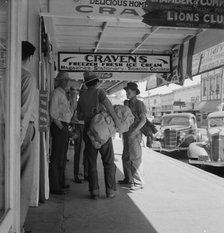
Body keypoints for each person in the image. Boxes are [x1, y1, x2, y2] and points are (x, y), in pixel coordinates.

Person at [77, 71, 121, 200]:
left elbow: (78, 116)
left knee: (91, 162)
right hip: (102, 131)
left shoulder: (82, 96)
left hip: (88, 131)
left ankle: (94, 192)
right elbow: (108, 105)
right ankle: (110, 190)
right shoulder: (99, 92)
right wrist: (116, 120)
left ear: (86, 83)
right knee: (108, 161)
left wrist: (88, 116)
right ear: (96, 82)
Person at [49, 71, 76, 195]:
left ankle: (60, 182)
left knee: (62, 156)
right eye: (64, 80)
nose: (66, 82)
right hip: (59, 126)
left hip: (64, 125)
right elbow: (53, 113)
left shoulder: (64, 94)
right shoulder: (56, 93)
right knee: (57, 156)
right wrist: (61, 127)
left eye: (67, 80)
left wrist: (72, 101)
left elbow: (69, 113)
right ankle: (55, 186)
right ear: (59, 81)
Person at [21, 41, 37, 232]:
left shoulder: (4, 75)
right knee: (24, 178)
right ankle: (19, 224)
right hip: (22, 132)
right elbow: (24, 114)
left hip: (4, 129)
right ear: (31, 57)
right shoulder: (27, 78)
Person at [119, 82, 146, 191]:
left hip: (134, 133)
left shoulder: (139, 104)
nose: (127, 94)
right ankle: (128, 179)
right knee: (125, 157)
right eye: (126, 92)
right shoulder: (127, 103)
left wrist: (135, 131)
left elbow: (143, 119)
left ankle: (139, 183)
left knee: (135, 158)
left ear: (135, 92)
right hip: (127, 132)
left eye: (129, 92)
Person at [71, 85, 88, 183]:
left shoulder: (86, 104)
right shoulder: (76, 104)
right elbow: (72, 116)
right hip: (79, 127)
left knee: (87, 153)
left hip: (87, 127)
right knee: (79, 152)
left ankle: (86, 173)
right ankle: (78, 175)